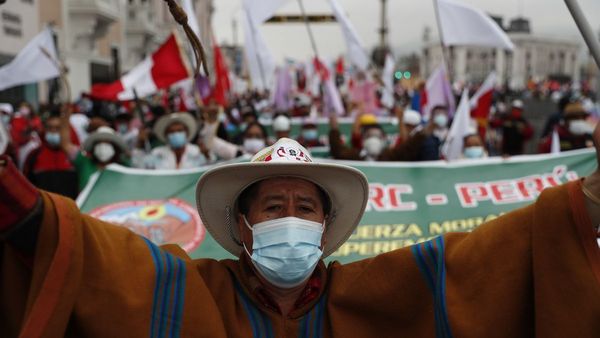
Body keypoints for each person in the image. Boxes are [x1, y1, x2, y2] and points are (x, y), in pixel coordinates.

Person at [1, 135, 599, 337]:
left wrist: (586, 200)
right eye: (275, 205)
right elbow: (101, 262)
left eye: (306, 206)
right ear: (241, 225)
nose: (292, 216)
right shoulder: (197, 291)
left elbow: (482, 263)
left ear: (325, 226)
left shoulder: (369, 291)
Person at [329, 107, 427, 161]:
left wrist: (401, 120)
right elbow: (338, 150)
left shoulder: (389, 156)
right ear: (363, 140)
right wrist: (334, 127)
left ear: (384, 140)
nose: (373, 139)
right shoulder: (355, 155)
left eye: (378, 136)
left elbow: (405, 147)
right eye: (369, 136)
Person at [22, 109, 78, 199]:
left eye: (57, 128)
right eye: (50, 128)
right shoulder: (34, 155)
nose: (53, 131)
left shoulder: (76, 156)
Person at [133, 112, 212, 169]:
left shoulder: (197, 152)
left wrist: (206, 156)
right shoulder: (158, 153)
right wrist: (140, 142)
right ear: (166, 135)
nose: (176, 134)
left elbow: (209, 169)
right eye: (171, 132)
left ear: (186, 133)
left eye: (179, 131)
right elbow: (139, 166)